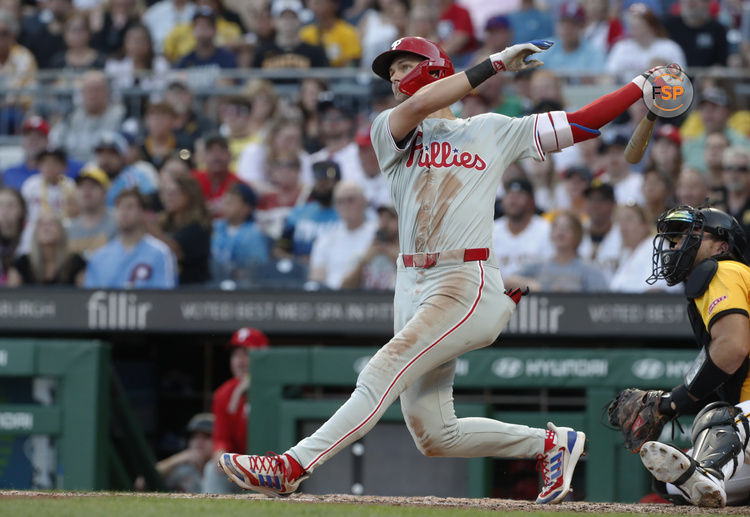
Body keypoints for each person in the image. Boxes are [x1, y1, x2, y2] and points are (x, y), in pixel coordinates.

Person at [220, 35, 655, 501]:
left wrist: (639, 86)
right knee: (434, 434)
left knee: (381, 370)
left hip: (462, 279)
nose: (395, 80)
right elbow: (425, 102)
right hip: (409, 282)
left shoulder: (490, 129)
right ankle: (550, 443)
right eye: (391, 75)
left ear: (432, 68)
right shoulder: (389, 130)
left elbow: (582, 125)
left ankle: (293, 464)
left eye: (404, 67)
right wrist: (492, 65)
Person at [632, 205, 750, 507]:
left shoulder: (724, 269)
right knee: (675, 483)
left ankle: (710, 469)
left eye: (688, 235)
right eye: (674, 239)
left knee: (719, 418)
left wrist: (675, 400)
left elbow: (733, 346)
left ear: (721, 246)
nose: (675, 245)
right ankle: (709, 472)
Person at [205, 327, 269, 494]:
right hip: (241, 471)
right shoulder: (223, 394)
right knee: (212, 469)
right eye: (235, 355)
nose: (239, 361)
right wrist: (220, 456)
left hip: (273, 469)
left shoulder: (277, 389)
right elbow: (221, 440)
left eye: (246, 354)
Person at [84, 188, 177, 288]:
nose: (123, 212)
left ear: (143, 213)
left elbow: (165, 297)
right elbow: (90, 299)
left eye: (130, 207)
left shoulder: (160, 253)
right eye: (119, 207)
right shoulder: (99, 257)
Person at [509, 210, 610, 292]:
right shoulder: (539, 266)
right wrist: (531, 285)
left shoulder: (588, 270)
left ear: (577, 234)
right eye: (556, 227)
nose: (561, 232)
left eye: (567, 228)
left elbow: (602, 299)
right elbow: (508, 281)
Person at [308, 181, 376, 289]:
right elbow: (317, 278)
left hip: (368, 296)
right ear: (335, 207)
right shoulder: (326, 238)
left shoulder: (377, 234)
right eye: (340, 201)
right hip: (333, 298)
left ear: (364, 201)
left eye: (351, 200)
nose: (346, 205)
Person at [151, 170, 212, 285]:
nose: (167, 198)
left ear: (189, 195)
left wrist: (150, 229)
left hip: (193, 289)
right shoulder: (163, 222)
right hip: (165, 286)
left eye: (173, 193)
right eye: (165, 193)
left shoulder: (199, 226)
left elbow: (175, 253)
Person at [49, 71, 125, 162]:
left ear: (107, 93)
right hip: (71, 169)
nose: (92, 95)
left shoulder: (120, 116)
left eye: (97, 90)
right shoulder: (70, 116)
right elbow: (55, 142)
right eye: (88, 90)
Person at [274, 160, 341, 263]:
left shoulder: (347, 214)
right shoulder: (297, 213)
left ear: (338, 183)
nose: (321, 185)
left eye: (326, 182)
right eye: (318, 181)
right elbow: (280, 249)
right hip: (299, 273)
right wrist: (297, 261)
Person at [605, 3, 685, 82]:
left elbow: (682, 79)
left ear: (651, 26)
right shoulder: (621, 47)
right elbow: (610, 75)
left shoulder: (669, 47)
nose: (634, 31)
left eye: (638, 26)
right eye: (632, 26)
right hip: (628, 91)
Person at [492, 178, 552, 279]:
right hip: (497, 292)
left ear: (531, 201)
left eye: (519, 195)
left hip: (536, 292)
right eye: (509, 194)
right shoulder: (491, 230)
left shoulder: (546, 229)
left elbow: (551, 268)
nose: (513, 199)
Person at [6, 211, 86, 286]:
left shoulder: (76, 262)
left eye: (52, 224)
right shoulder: (22, 263)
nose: (46, 228)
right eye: (41, 224)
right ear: (35, 232)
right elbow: (11, 296)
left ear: (61, 231)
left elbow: (85, 295)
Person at [211, 182, 269, 284]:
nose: (225, 206)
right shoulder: (215, 227)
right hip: (213, 282)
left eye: (231, 203)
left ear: (246, 208)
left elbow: (257, 269)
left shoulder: (254, 233)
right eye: (224, 202)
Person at [609, 203, 675, 292]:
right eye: (619, 221)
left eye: (629, 219)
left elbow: (658, 289)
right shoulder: (625, 254)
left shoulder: (656, 245)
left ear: (644, 224)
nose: (623, 225)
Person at [3, 116, 82, 190]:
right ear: (22, 141)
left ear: (48, 141)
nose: (33, 140)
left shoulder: (67, 166)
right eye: (28, 135)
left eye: (39, 136)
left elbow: (89, 170)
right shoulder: (9, 173)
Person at [252, 0, 329, 71]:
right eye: (283, 17)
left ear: (300, 20)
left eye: (292, 17)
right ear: (274, 21)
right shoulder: (261, 53)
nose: (288, 21)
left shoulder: (315, 53)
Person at [340, 202, 399, 290]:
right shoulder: (364, 254)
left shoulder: (411, 258)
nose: (384, 223)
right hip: (367, 302)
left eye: (391, 218)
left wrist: (388, 251)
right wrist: (364, 261)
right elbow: (344, 287)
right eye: (381, 218)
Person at [154, 413, 214, 493]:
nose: (199, 441)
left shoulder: (225, 471)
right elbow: (142, 482)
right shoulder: (184, 469)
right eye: (194, 437)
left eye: (207, 436)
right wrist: (176, 460)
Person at [67, 165, 117, 258]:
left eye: (93, 186)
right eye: (81, 186)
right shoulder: (68, 228)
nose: (86, 190)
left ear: (105, 192)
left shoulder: (119, 222)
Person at [0, 8, 37, 134]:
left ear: (13, 35)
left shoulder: (23, 57)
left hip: (18, 111)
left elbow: (19, 94)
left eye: (4, 33)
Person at [663, 0, 728, 68]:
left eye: (695, 2)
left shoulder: (718, 30)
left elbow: (721, 63)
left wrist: (711, 76)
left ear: (708, 4)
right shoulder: (668, 26)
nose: (690, 4)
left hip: (706, 76)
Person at [192, 133, 244, 217]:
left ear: (230, 156)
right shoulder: (193, 179)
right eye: (211, 151)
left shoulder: (239, 185)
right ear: (204, 156)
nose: (216, 156)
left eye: (222, 151)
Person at [299, 0, 361, 67]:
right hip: (312, 75)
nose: (314, 7)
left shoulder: (348, 32)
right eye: (313, 3)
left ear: (334, 5)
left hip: (339, 75)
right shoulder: (305, 33)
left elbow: (351, 63)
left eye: (319, 2)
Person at [176, 6, 237, 71]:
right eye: (199, 25)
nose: (202, 29)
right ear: (192, 30)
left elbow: (230, 80)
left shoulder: (226, 57)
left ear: (215, 30)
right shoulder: (186, 60)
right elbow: (176, 77)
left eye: (207, 25)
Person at [0, 187, 26, 283]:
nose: (4, 211)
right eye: (0, 205)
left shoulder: (31, 233)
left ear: (21, 209)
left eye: (10, 205)